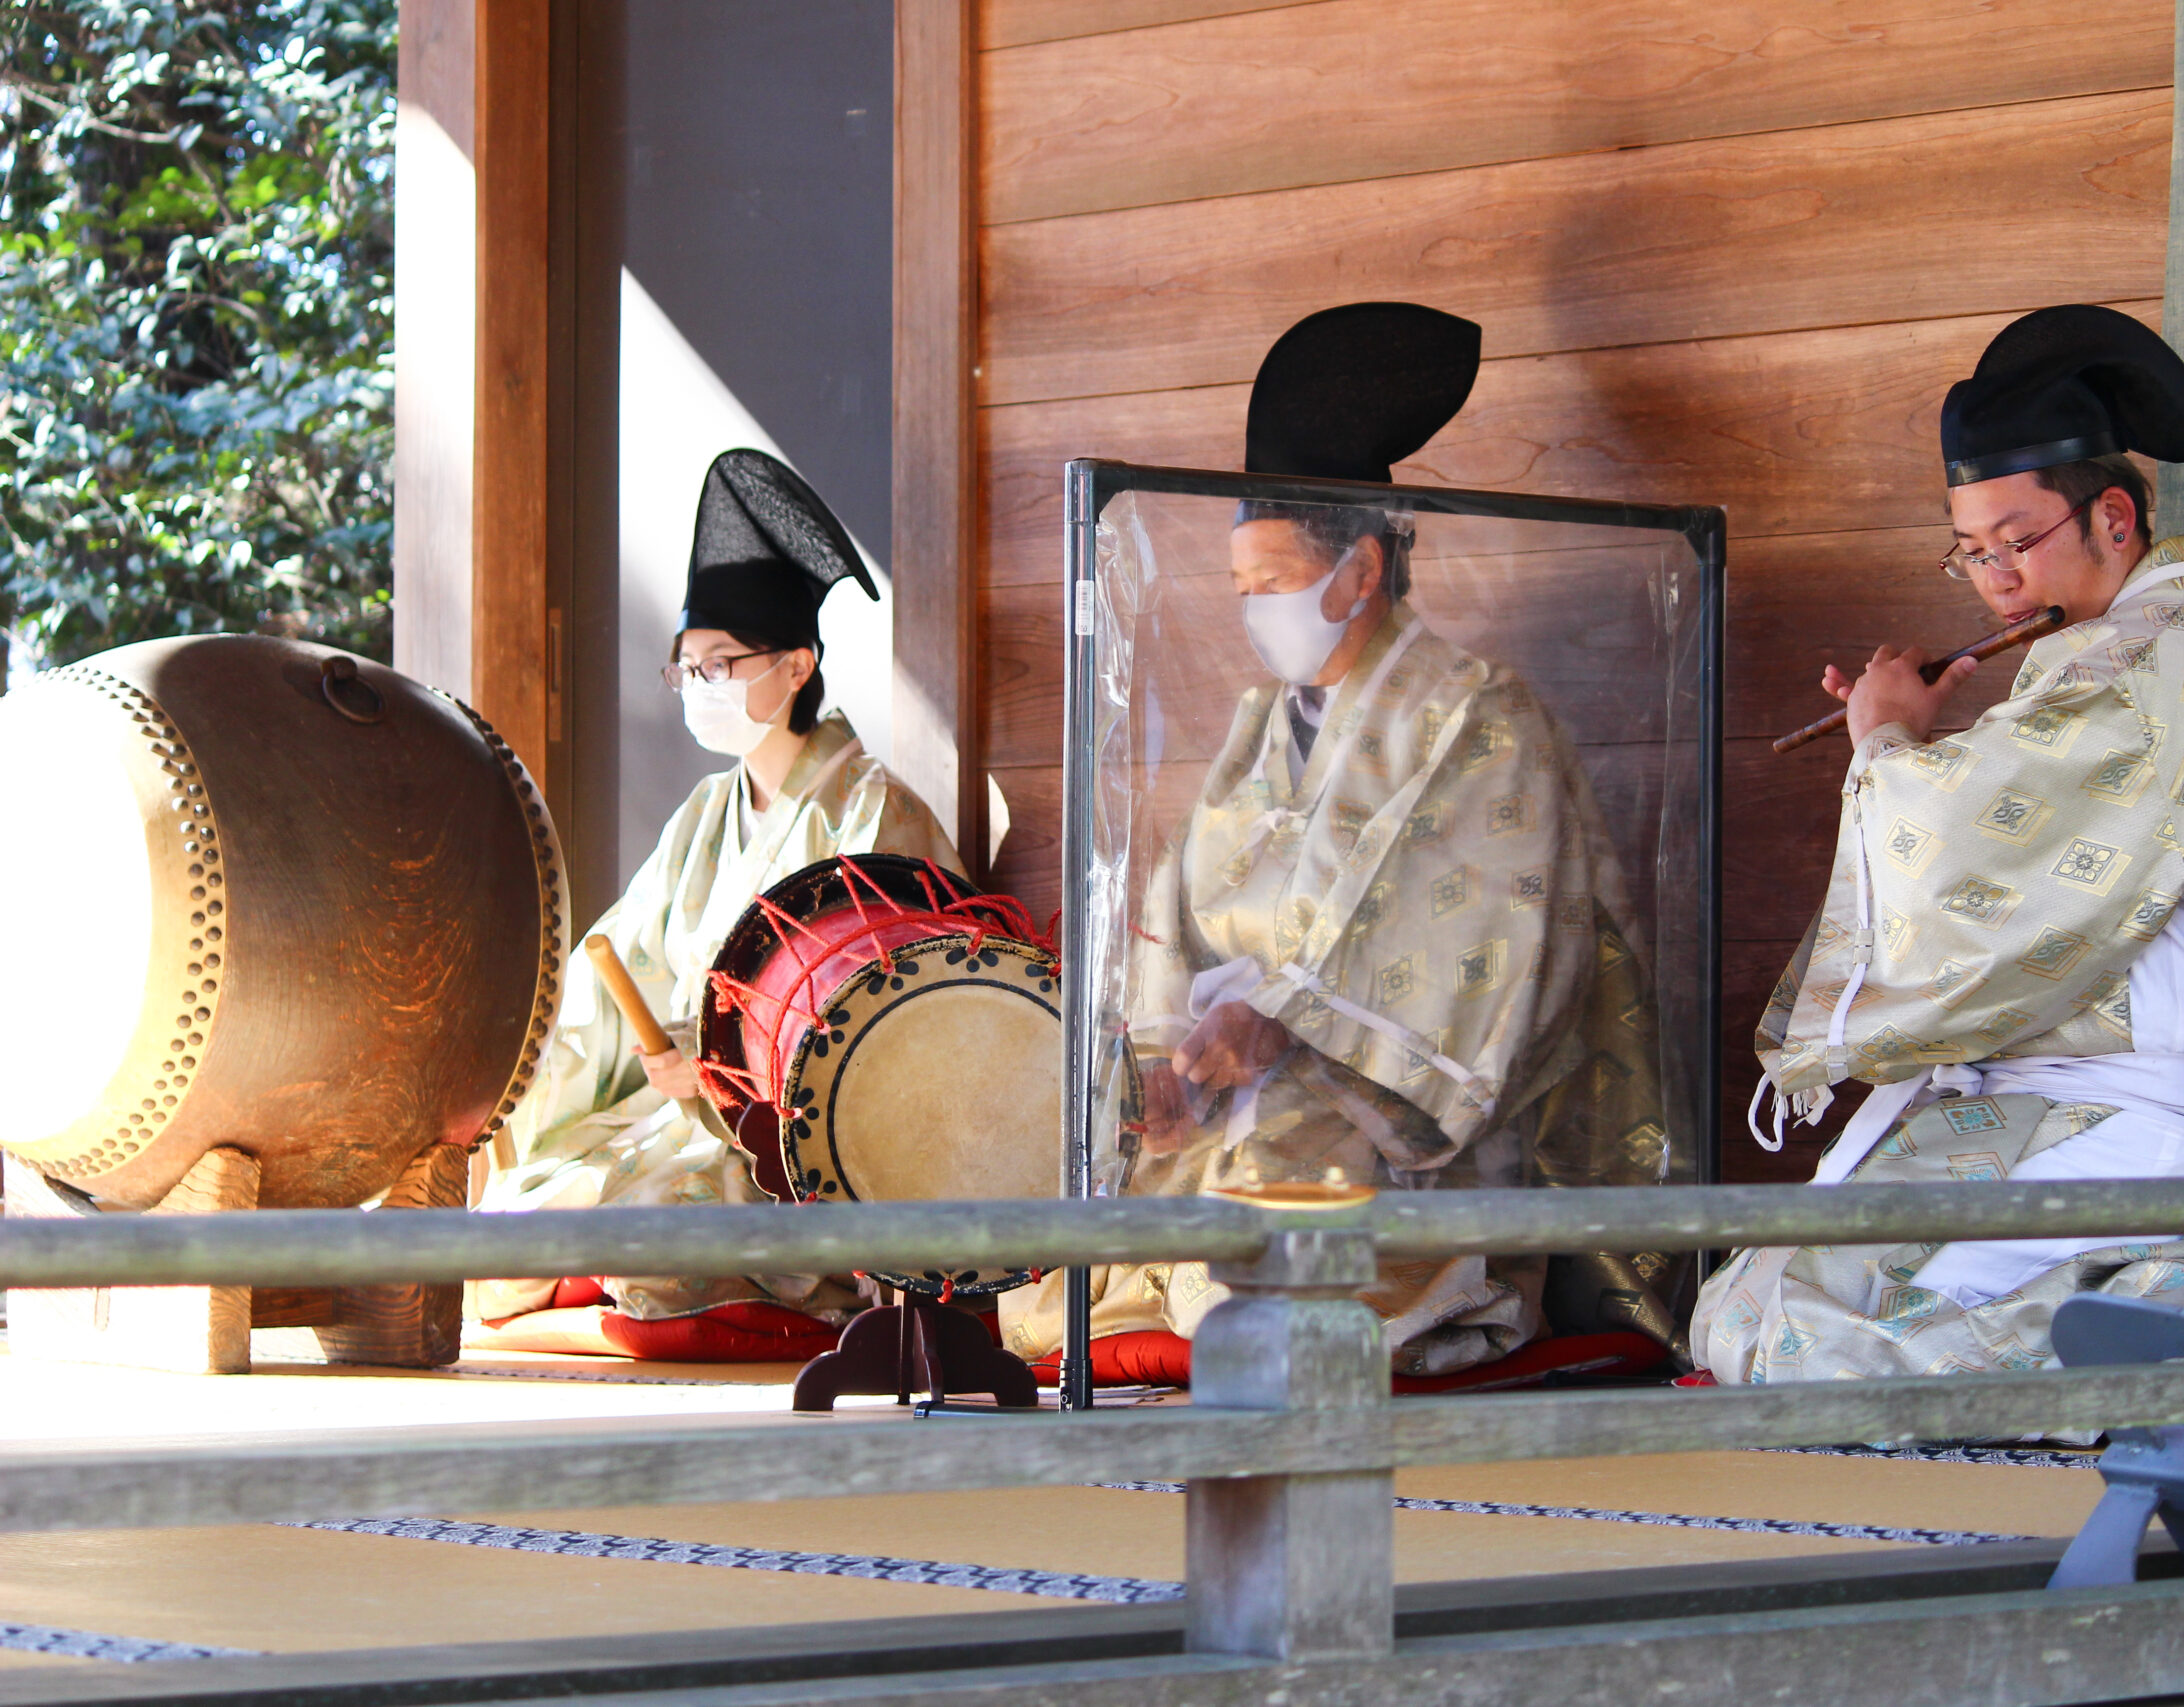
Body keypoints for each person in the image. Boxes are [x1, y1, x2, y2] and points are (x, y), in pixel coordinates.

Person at [1689, 305, 2184, 1393]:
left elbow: (1949, 846)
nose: (1993, 578)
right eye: (1969, 552)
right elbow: (2003, 839)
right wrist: (1912, 750)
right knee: (1746, 1309)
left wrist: (1886, 741)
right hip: (2049, 1112)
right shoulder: (2100, 668)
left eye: (2016, 542)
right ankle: (2172, 1314)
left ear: (2112, 517)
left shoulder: (2136, 665)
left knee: (1786, 1340)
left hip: (2142, 1121)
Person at [1001, 303, 1680, 1380]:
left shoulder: (1480, 719)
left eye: (1271, 587)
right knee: (1072, 1283)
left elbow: (1489, 943)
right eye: (1239, 592)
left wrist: (1282, 1026)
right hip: (1232, 1099)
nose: (1253, 614)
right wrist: (1154, 1056)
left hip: (1398, 1127)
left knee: (1256, 1286)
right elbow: (1175, 905)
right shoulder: (1252, 729)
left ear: (1359, 573)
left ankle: (1451, 1283)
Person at [472, 449, 958, 1354]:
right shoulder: (706, 814)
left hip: (782, 1139)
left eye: (720, 664)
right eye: (686, 667)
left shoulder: (872, 812)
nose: (700, 687)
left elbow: (892, 1007)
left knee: (660, 1233)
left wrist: (729, 1076)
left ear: (797, 665)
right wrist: (521, 1079)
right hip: (681, 1112)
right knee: (513, 1204)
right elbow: (616, 964)